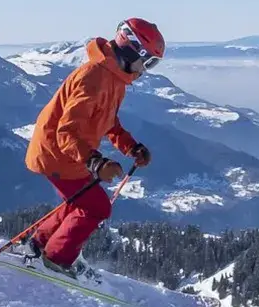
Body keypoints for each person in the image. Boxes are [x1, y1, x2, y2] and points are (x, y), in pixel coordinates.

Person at [22, 19, 163, 274]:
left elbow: (107, 120)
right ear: (133, 50)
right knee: (96, 206)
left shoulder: (114, 78)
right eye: (149, 61)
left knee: (79, 200)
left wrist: (131, 147)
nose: (146, 69)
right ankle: (56, 259)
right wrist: (96, 162)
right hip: (57, 152)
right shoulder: (94, 77)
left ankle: (39, 244)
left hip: (69, 153)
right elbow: (67, 130)